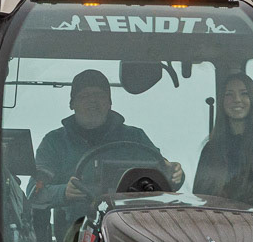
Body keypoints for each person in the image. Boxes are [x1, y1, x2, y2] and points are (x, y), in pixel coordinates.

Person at [34, 69, 184, 200]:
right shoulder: (54, 142)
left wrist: (174, 174)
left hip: (127, 219)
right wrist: (63, 192)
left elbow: (163, 178)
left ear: (109, 102)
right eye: (84, 96)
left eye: (99, 95)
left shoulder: (135, 137)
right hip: (74, 222)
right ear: (72, 104)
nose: (92, 101)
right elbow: (35, 191)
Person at [193, 72, 253, 216]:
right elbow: (201, 199)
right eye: (229, 94)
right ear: (221, 101)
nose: (237, 100)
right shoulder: (211, 149)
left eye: (244, 93)